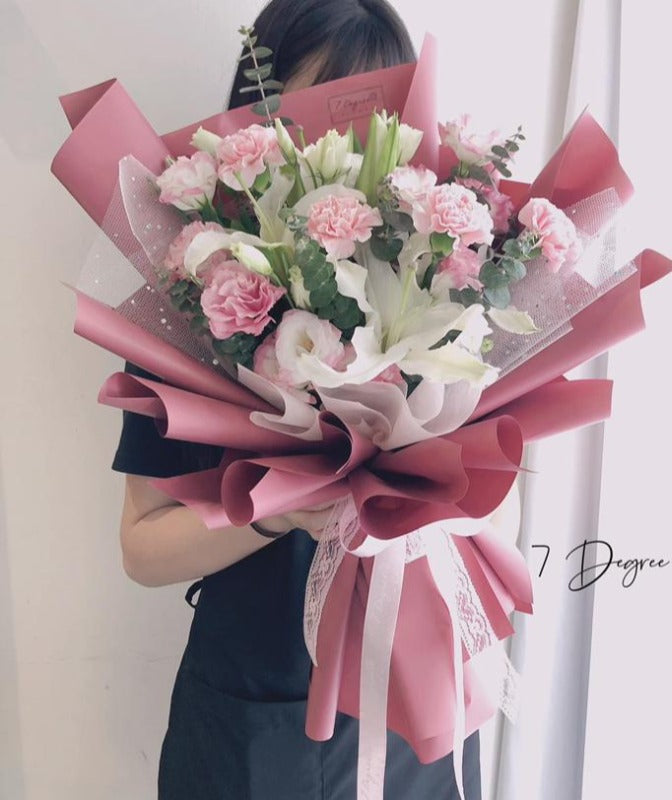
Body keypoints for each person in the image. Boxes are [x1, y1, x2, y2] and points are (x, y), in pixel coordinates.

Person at [115, 1, 483, 798]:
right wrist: (275, 510)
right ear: (257, 122)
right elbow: (142, 546)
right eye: (317, 115)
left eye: (371, 119)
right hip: (251, 714)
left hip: (413, 704)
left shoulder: (457, 284)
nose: (340, 150)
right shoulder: (196, 301)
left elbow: (497, 503)